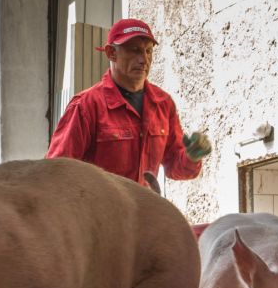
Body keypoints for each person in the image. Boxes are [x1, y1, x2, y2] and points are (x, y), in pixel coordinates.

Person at [46, 18, 211, 186]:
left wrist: (191, 157)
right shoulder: (86, 106)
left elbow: (175, 167)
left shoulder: (163, 104)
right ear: (111, 53)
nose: (144, 59)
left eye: (148, 51)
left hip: (144, 203)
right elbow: (56, 173)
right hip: (98, 203)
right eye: (135, 50)